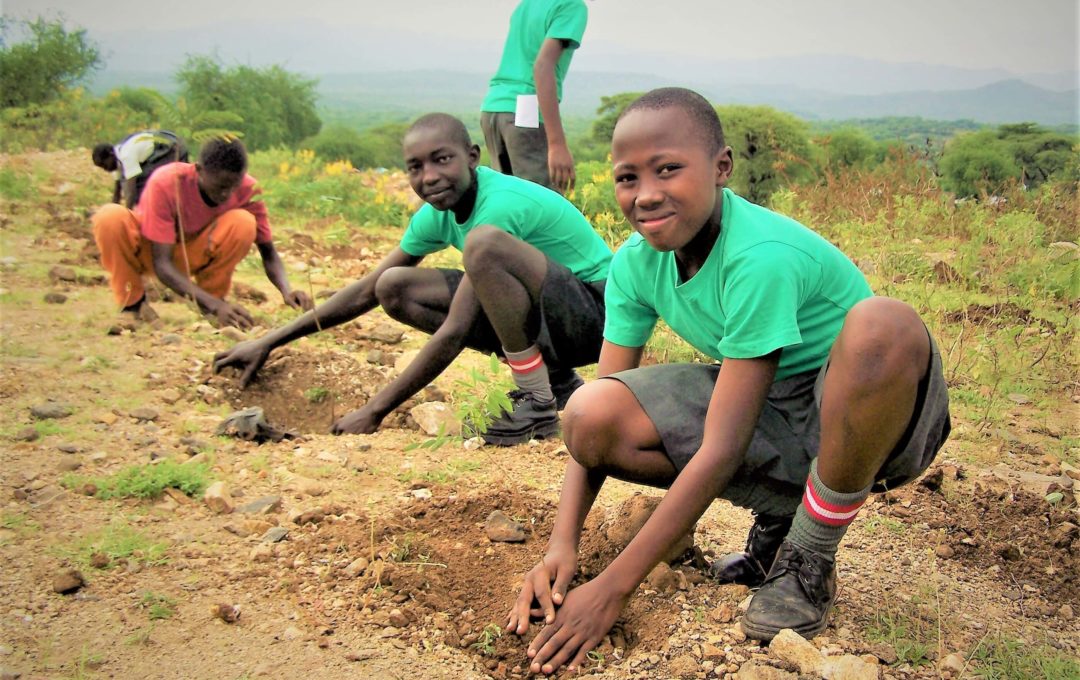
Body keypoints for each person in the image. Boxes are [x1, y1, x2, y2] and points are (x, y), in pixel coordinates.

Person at [506, 88, 951, 674]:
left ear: (721, 168)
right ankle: (783, 514)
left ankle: (806, 557)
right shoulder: (636, 264)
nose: (646, 194)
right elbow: (598, 406)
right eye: (627, 177)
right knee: (591, 413)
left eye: (669, 169)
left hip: (863, 420)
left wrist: (614, 589)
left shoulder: (758, 256)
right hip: (769, 406)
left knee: (881, 323)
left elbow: (723, 447)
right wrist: (562, 546)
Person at [213, 113, 612, 445]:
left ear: (472, 157)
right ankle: (557, 383)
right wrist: (268, 341)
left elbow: (456, 329)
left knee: (483, 247)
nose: (430, 176)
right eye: (416, 167)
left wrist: (375, 411)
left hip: (596, 317)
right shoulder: (437, 213)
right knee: (394, 286)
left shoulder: (500, 208)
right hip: (551, 318)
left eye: (442, 160)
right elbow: (370, 288)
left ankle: (536, 399)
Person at [91, 137, 312, 327]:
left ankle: (210, 303)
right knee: (109, 217)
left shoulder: (249, 189)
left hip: (195, 253)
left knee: (244, 223)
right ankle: (133, 306)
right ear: (198, 170)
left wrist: (286, 291)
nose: (226, 194)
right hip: (151, 252)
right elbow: (162, 265)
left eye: (233, 186)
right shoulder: (167, 182)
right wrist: (217, 306)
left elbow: (268, 252)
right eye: (219, 187)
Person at [480, 0, 587, 193]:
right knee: (543, 206)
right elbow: (542, 66)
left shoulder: (527, 4)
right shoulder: (571, 5)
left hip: (493, 109)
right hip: (525, 110)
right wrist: (557, 145)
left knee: (508, 201)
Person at [92, 130, 189, 208]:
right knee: (126, 181)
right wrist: (112, 213)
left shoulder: (126, 155)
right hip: (160, 149)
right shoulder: (117, 158)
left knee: (141, 187)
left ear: (111, 154)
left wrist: (126, 215)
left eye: (104, 165)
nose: (106, 170)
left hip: (172, 148)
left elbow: (131, 192)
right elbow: (117, 193)